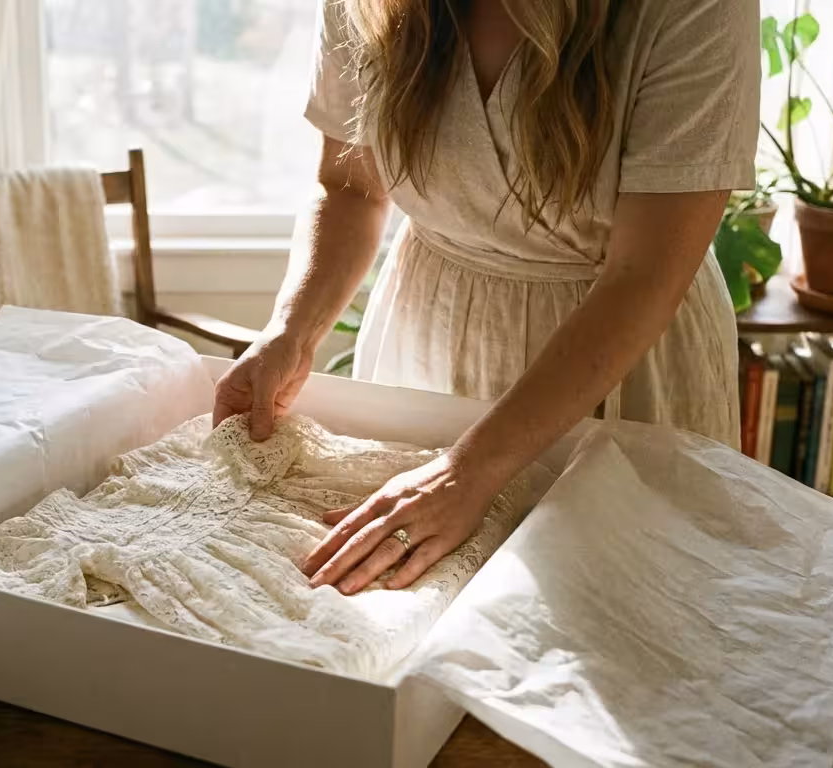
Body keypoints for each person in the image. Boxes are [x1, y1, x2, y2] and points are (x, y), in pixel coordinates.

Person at [212, 0, 760, 595]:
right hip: (428, 339)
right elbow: (350, 188)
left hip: (618, 358)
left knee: (612, 607)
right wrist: (291, 330)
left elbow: (644, 274)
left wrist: (465, 470)